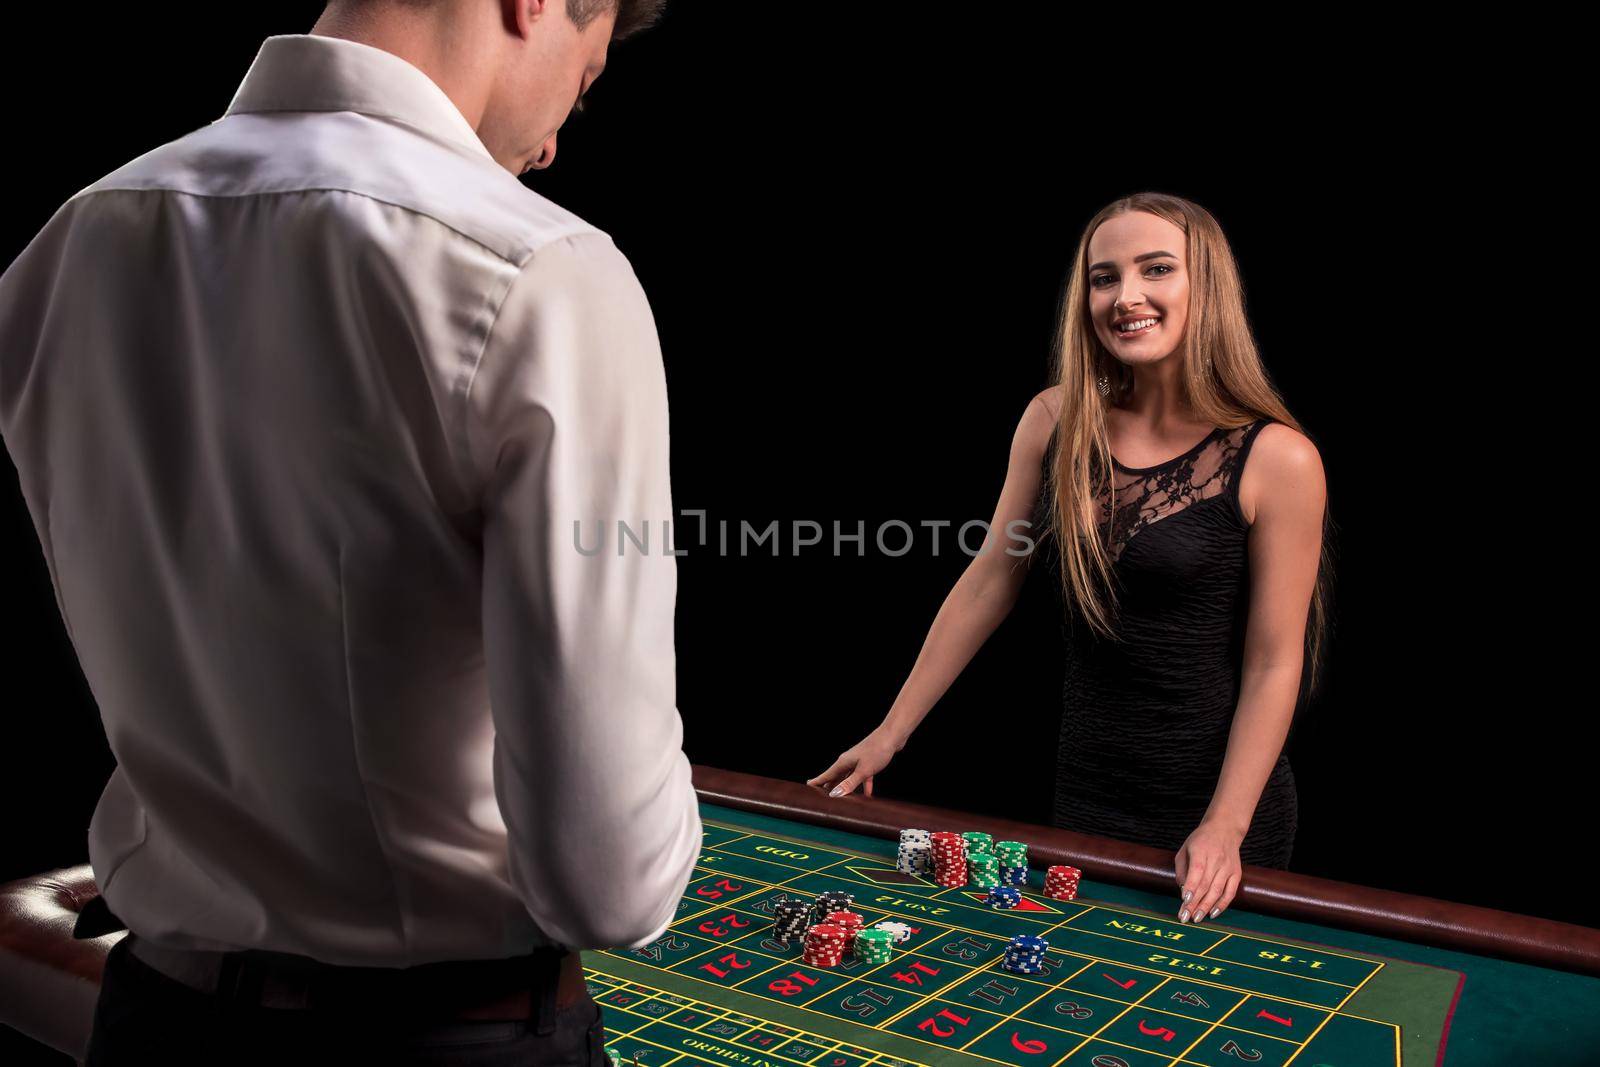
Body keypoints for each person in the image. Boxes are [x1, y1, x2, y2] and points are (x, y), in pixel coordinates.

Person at [0, 1, 701, 1062]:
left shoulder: (65, 244)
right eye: (585, 75)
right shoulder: (540, 271)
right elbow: (610, 881)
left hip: (154, 1025)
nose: (558, 138)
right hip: (440, 1038)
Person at [809, 192, 1330, 929]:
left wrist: (1227, 824)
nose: (1127, 297)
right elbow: (991, 577)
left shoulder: (1279, 458)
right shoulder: (1054, 420)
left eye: (1157, 269)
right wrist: (888, 733)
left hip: (1219, 813)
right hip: (1084, 797)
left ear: (1205, 286)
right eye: (1104, 277)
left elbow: (1276, 663)